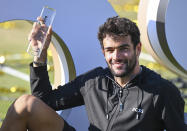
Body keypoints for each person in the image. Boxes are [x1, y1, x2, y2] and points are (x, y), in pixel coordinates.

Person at [0, 16, 186, 131]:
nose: (117, 56)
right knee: (25, 104)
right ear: (104, 52)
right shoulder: (94, 80)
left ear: (138, 49)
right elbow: (45, 101)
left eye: (123, 49)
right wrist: (39, 55)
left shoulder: (163, 91)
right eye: (110, 50)